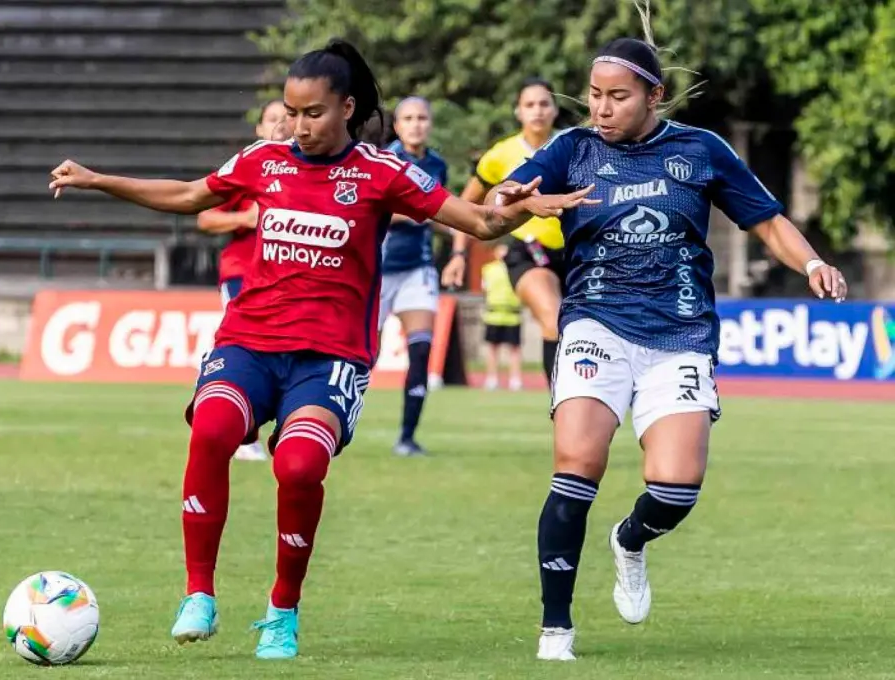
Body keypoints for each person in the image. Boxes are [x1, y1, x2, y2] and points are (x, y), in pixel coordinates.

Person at [48, 38, 595, 661]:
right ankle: (198, 592)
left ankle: (282, 610)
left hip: (330, 359)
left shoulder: (383, 172)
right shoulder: (264, 160)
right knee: (212, 427)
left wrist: (519, 210)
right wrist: (98, 180)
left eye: (313, 113)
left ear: (346, 108)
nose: (299, 126)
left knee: (300, 466)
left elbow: (478, 221)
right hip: (249, 341)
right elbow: (189, 195)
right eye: (292, 111)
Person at [493, 37, 849, 661]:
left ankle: (630, 540)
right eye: (595, 95)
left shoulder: (701, 149)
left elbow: (765, 220)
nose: (601, 108)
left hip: (680, 333)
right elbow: (499, 202)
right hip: (595, 323)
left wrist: (813, 261)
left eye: (618, 97)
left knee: (677, 487)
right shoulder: (571, 149)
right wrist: (517, 200)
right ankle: (556, 630)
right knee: (577, 465)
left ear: (654, 96)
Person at [442, 77, 563, 386]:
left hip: (578, 254)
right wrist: (458, 255)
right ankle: (561, 405)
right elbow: (465, 207)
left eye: (544, 103)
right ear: (518, 112)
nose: (537, 110)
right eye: (530, 104)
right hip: (529, 252)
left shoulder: (571, 145)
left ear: (555, 109)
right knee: (554, 318)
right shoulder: (499, 155)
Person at [196, 99, 288, 462]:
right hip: (242, 272)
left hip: (287, 279)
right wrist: (247, 219)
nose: (281, 124)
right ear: (259, 128)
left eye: (287, 117)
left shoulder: (311, 168)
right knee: (249, 347)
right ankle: (241, 429)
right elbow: (205, 218)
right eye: (272, 118)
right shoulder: (250, 165)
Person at [380, 97, 449, 456]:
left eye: (422, 117)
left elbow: (442, 212)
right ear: (396, 124)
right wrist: (414, 213)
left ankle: (407, 437)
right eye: (408, 118)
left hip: (418, 270)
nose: (416, 124)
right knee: (362, 356)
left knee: (420, 351)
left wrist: (459, 249)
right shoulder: (384, 161)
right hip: (378, 268)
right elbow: (377, 211)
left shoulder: (437, 164)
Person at [480, 242, 523, 391]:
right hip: (498, 314)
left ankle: (512, 379)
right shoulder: (490, 269)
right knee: (495, 349)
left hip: (509, 314)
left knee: (511, 350)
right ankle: (497, 379)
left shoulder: (513, 269)